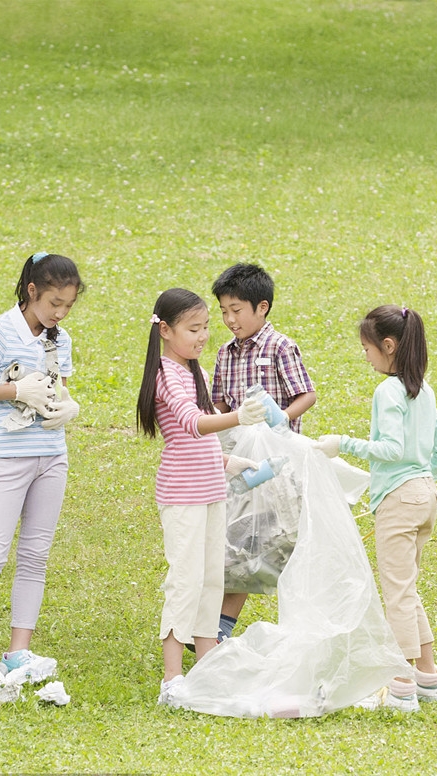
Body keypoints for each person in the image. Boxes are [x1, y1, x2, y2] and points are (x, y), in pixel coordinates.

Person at [314, 304, 437, 712]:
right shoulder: (424, 391)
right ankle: (428, 676)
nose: (365, 355)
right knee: (406, 588)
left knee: (396, 594)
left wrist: (343, 444)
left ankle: (399, 685)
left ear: (388, 346)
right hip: (425, 495)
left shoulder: (388, 391)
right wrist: (420, 481)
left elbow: (391, 449)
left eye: (367, 348)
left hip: (401, 499)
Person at [135, 288, 267, 705]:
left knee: (212, 577)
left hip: (210, 490)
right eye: (194, 329)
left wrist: (231, 463)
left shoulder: (193, 371)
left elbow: (203, 439)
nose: (203, 335)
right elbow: (192, 425)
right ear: (166, 331)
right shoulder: (167, 375)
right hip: (183, 495)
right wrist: (238, 417)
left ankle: (208, 661)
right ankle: (171, 677)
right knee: (185, 581)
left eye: (206, 326)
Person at [0, 252, 83, 674]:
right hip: (8, 457)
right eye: (54, 304)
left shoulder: (60, 338)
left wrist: (69, 406)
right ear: (32, 292)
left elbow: (59, 390)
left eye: (68, 305)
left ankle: (18, 652)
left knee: (35, 554)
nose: (60, 313)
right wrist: (12, 391)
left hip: (52, 456)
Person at [210, 263, 316, 641]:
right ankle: (218, 627)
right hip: (241, 462)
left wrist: (281, 421)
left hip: (278, 464)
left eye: (236, 310)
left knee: (277, 541)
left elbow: (307, 393)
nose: (229, 319)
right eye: (223, 311)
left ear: (262, 307)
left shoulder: (280, 347)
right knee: (239, 542)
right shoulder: (225, 353)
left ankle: (302, 625)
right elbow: (220, 402)